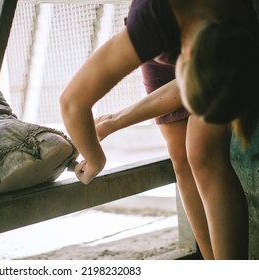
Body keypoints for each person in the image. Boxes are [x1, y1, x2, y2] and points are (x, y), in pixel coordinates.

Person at [60, 0, 259, 260]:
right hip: (166, 21)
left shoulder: (241, 31)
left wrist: (116, 122)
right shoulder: (151, 21)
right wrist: (96, 159)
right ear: (185, 57)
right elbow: (72, 102)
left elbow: (184, 88)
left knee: (202, 153)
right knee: (180, 157)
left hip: (202, 31)